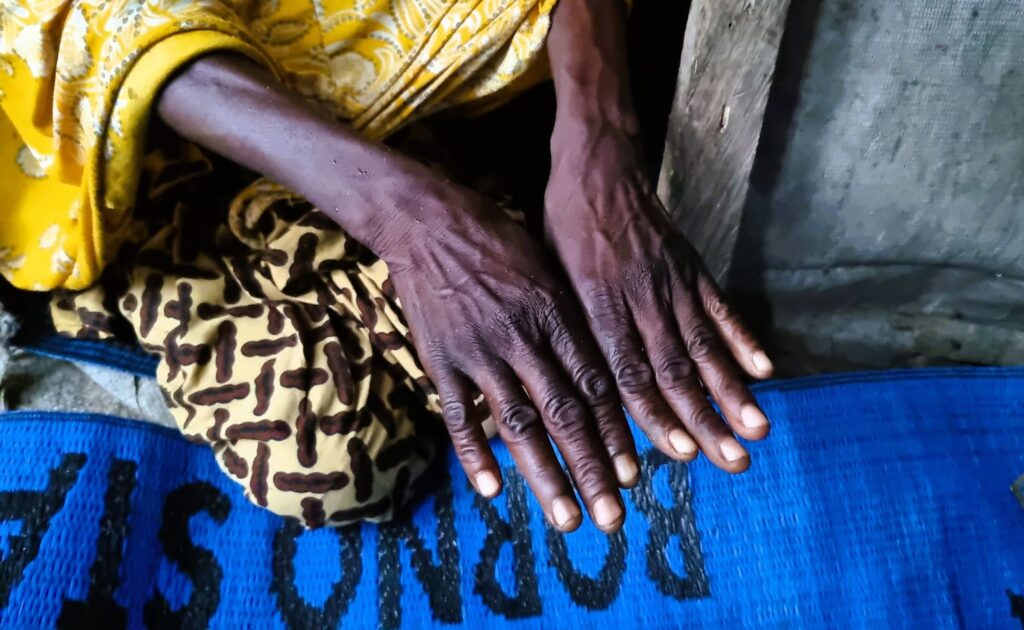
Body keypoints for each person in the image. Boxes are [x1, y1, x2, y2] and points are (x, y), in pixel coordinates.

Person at [0, 0, 773, 533]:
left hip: (384, 77)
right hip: (147, 105)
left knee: (555, 365)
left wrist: (601, 146)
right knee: (336, 463)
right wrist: (418, 222)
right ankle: (221, 209)